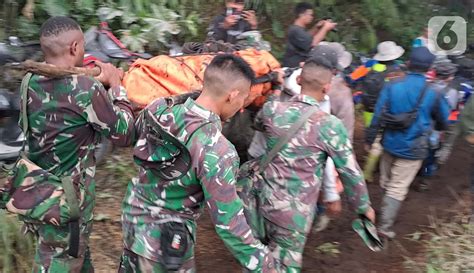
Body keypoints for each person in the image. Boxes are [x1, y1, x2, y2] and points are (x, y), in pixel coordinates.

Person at [120, 54, 275, 272]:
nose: (242, 107)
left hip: (132, 226)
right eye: (244, 99)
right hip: (165, 248)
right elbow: (229, 225)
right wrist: (265, 264)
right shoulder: (218, 150)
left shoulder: (160, 109)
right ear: (232, 96)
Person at [22, 16, 135, 272]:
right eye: (83, 46)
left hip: (38, 191)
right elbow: (124, 134)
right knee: (59, 261)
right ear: (74, 48)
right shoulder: (84, 88)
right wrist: (116, 88)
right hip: (68, 203)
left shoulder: (29, 81)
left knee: (76, 254)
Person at [246, 57, 374, 272]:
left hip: (258, 203)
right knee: (284, 266)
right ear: (327, 88)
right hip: (293, 215)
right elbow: (350, 172)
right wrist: (364, 208)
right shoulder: (330, 125)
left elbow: (257, 122)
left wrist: (277, 87)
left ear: (298, 79)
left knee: (255, 259)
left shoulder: (273, 110)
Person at [365, 47, 450, 239]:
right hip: (414, 147)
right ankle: (384, 227)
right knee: (398, 186)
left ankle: (384, 209)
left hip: (389, 142)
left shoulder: (392, 84)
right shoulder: (434, 91)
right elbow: (444, 121)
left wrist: (370, 139)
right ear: (430, 68)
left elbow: (378, 114)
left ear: (409, 63)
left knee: (386, 181)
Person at [361, 41, 405, 183]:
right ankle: (368, 172)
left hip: (368, 109)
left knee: (372, 134)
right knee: (380, 141)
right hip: (385, 109)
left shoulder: (371, 68)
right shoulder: (396, 72)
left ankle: (368, 165)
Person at [416, 59, 458, 191]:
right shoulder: (451, 92)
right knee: (430, 157)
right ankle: (425, 179)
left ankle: (416, 171)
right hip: (435, 129)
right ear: (450, 77)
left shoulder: (424, 85)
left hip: (418, 125)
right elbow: (449, 112)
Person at [282, 2, 337, 68]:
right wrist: (325, 28)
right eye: (310, 15)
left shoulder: (298, 30)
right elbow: (312, 43)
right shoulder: (295, 30)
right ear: (301, 15)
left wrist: (317, 27)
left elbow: (307, 38)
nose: (312, 17)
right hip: (293, 67)